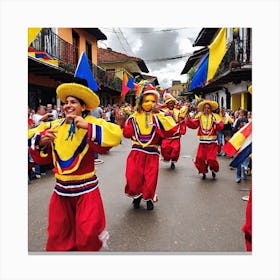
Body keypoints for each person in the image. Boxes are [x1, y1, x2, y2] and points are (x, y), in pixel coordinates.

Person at [28, 82, 122, 251]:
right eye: (66, 102)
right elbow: (29, 135)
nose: (68, 106)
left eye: (73, 102)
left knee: (88, 235)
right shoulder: (55, 126)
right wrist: (42, 142)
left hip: (86, 191)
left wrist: (88, 127)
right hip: (61, 193)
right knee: (59, 235)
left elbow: (115, 135)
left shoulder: (92, 121)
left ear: (83, 106)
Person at [118, 83, 180, 210]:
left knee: (150, 179)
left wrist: (158, 115)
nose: (150, 103)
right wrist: (122, 123)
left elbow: (171, 129)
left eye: (153, 101)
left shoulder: (160, 116)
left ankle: (149, 198)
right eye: (147, 100)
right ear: (141, 102)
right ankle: (137, 196)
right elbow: (128, 134)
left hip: (152, 153)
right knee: (133, 177)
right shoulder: (133, 117)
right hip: (136, 152)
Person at [185, 99, 224, 179]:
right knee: (200, 158)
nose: (207, 109)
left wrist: (216, 123)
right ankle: (203, 171)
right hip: (202, 143)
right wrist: (188, 119)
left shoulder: (215, 117)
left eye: (208, 108)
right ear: (203, 109)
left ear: (211, 109)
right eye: (205, 108)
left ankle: (213, 170)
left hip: (212, 143)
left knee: (211, 159)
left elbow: (220, 127)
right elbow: (193, 124)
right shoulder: (199, 116)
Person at [160, 93, 188, 169]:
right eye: (169, 103)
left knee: (175, 149)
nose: (171, 105)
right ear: (166, 104)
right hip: (166, 134)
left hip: (176, 134)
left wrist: (181, 128)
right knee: (164, 148)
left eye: (172, 103)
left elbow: (182, 117)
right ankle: (167, 158)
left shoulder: (178, 111)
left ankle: (173, 161)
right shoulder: (163, 112)